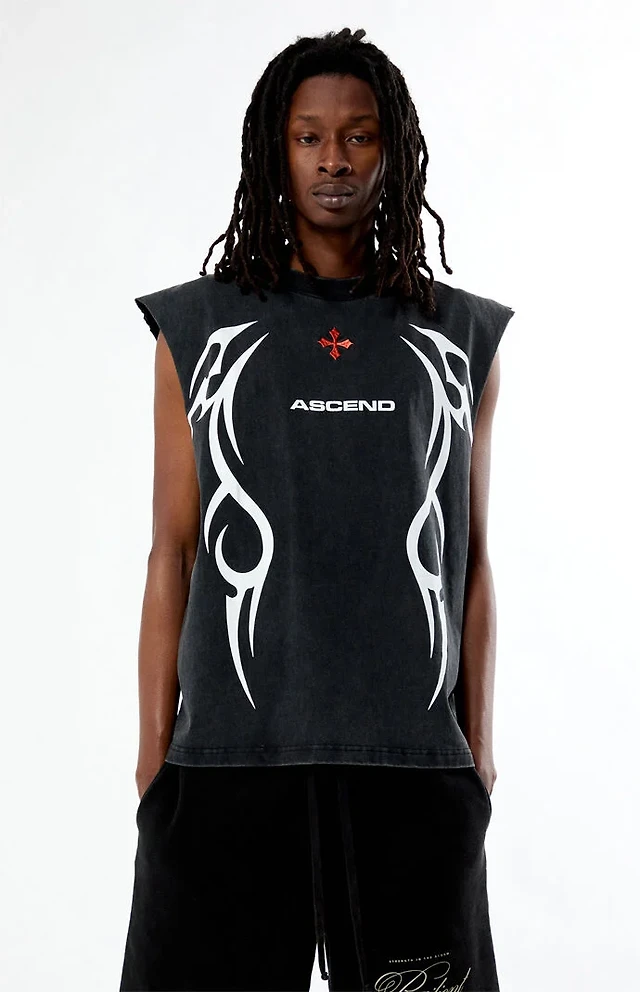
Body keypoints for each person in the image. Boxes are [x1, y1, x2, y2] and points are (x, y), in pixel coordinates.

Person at [119, 26, 515, 992]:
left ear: (394, 150)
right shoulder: (197, 329)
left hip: (412, 765)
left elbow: (471, 557)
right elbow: (173, 551)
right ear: (275, 151)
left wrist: (478, 751)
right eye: (308, 137)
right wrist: (153, 759)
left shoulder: (459, 336)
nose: (333, 159)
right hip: (228, 760)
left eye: (358, 135)